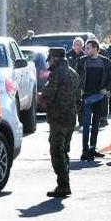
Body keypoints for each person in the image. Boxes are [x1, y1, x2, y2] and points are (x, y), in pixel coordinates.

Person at [41, 47, 80, 198]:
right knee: (64, 151)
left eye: (50, 58)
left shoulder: (56, 74)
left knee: (57, 152)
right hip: (70, 118)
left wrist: (41, 96)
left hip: (58, 119)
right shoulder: (73, 73)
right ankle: (65, 183)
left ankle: (63, 185)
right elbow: (78, 98)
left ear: (54, 59)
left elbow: (48, 95)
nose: (49, 61)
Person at [76, 39, 111, 161]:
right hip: (86, 97)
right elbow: (76, 77)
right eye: (85, 48)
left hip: (100, 97)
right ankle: (85, 151)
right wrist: (79, 90)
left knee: (96, 125)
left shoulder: (105, 61)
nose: (85, 50)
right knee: (86, 125)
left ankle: (93, 149)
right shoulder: (81, 61)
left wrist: (106, 89)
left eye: (88, 48)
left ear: (95, 49)